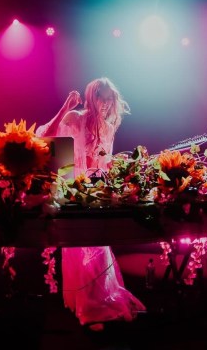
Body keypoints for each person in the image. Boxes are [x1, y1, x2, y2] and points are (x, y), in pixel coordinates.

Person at [36, 77, 146, 331]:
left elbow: (104, 164)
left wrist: (118, 177)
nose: (105, 103)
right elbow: (45, 138)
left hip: (97, 193)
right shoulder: (76, 118)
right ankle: (89, 307)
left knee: (98, 247)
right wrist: (65, 108)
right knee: (82, 247)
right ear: (91, 97)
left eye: (109, 98)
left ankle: (101, 301)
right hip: (73, 192)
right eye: (100, 97)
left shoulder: (108, 127)